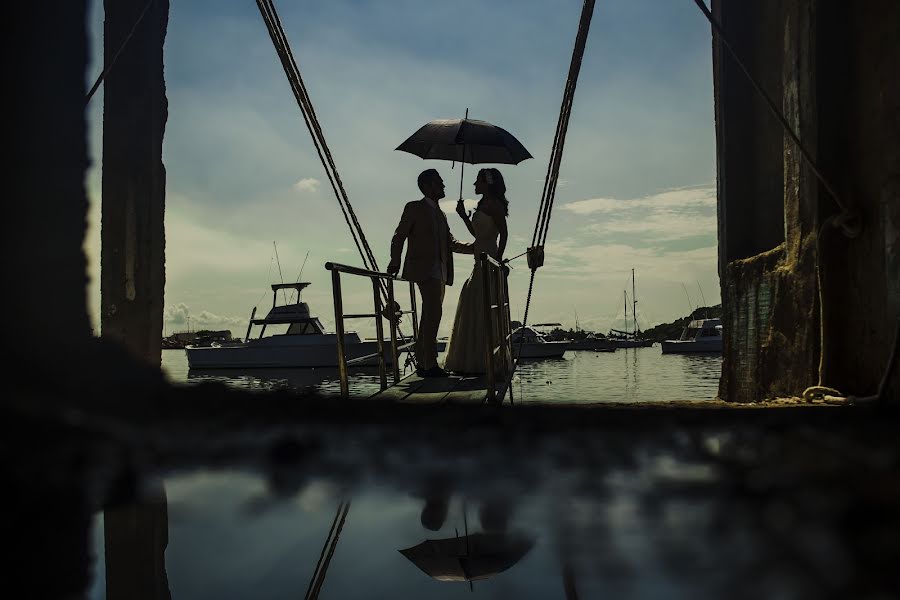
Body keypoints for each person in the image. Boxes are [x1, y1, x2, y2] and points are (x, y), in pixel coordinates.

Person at [388, 169, 465, 377]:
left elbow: (450, 243)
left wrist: (477, 247)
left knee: (432, 315)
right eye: (439, 182)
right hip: (424, 269)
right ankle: (428, 364)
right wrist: (394, 260)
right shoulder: (414, 207)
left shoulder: (440, 213)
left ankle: (425, 362)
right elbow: (399, 235)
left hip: (440, 271)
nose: (443, 186)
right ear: (428, 186)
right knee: (433, 313)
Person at [443, 168, 513, 375]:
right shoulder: (482, 204)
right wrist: (464, 217)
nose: (474, 185)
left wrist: (498, 260)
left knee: (484, 306)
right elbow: (478, 234)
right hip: (477, 261)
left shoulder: (494, 204)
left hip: (489, 260)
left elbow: (504, 233)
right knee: (473, 305)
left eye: (478, 181)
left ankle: (488, 361)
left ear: (487, 184)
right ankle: (475, 360)